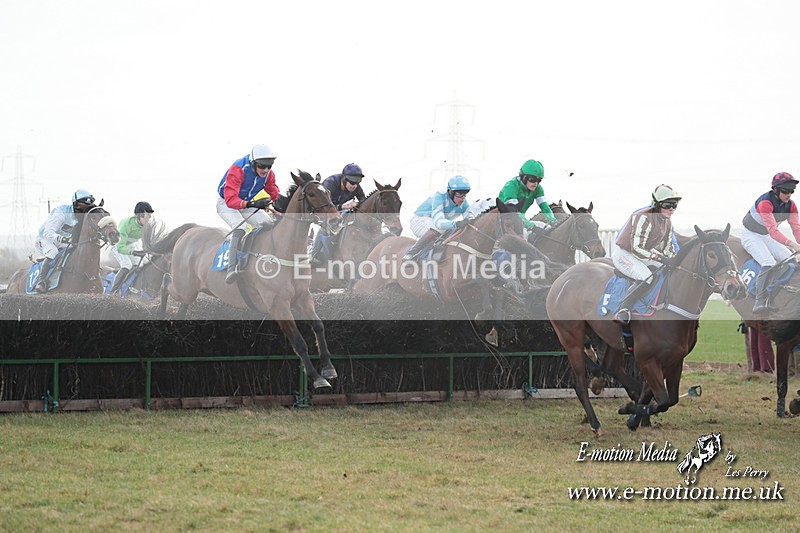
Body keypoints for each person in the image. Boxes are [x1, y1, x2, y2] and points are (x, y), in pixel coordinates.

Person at [612, 184, 681, 322]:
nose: (672, 209)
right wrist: (660, 258)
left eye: (674, 205)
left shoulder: (667, 222)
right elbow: (636, 248)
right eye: (668, 205)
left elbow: (668, 248)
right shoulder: (643, 217)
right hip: (625, 253)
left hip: (644, 252)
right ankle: (623, 309)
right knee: (646, 277)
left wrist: (674, 259)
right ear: (657, 204)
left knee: (667, 269)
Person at [217, 144, 280, 283]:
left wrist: (281, 204)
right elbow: (230, 200)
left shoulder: (269, 173)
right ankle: (231, 268)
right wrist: (252, 204)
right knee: (241, 227)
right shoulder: (238, 170)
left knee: (268, 223)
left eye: (269, 165)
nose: (266, 170)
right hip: (226, 203)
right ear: (253, 163)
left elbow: (273, 191)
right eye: (262, 166)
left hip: (245, 203)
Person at [741, 172, 800, 313]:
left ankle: (776, 292)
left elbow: (796, 229)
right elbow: (773, 231)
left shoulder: (791, 206)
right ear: (776, 189)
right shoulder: (765, 203)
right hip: (751, 235)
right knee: (768, 262)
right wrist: (792, 245)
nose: (789, 194)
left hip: (765, 236)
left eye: (792, 191)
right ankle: (759, 301)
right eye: (786, 191)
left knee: (789, 261)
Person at [33, 189, 97, 293]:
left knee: (76, 248)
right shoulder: (61, 212)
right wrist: (64, 239)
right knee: (53, 251)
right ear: (75, 203)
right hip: (44, 239)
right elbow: (48, 233)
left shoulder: (81, 218)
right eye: (83, 206)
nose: (84, 211)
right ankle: (41, 281)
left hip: (61, 240)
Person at [308, 163, 367, 266]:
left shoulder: (356, 186)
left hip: (337, 210)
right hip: (322, 210)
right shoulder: (330, 183)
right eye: (352, 182)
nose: (354, 186)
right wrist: (343, 207)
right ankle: (312, 253)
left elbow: (363, 200)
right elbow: (325, 207)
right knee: (327, 226)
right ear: (344, 179)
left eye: (358, 182)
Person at [403, 175, 472, 260]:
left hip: (434, 225)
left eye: (465, 194)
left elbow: (471, 218)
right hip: (419, 221)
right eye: (459, 194)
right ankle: (412, 252)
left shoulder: (464, 202)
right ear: (450, 192)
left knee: (451, 231)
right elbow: (439, 223)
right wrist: (457, 223)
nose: (462, 198)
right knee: (441, 228)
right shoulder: (439, 196)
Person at [498, 159, 557, 231]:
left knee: (545, 228)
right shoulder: (511, 187)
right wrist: (531, 226)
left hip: (519, 221)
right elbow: (515, 213)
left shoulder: (538, 189)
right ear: (524, 177)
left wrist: (553, 221)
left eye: (539, 180)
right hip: (504, 223)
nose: (536, 183)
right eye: (532, 179)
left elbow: (544, 207)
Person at [108, 201, 154, 294]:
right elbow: (120, 247)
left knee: (138, 265)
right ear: (139, 215)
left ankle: (130, 287)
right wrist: (135, 253)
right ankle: (112, 292)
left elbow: (146, 243)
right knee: (127, 265)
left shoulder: (147, 226)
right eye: (147, 216)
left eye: (150, 216)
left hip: (130, 246)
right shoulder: (126, 224)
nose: (149, 218)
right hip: (118, 246)